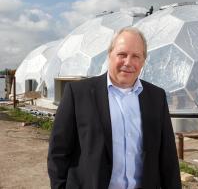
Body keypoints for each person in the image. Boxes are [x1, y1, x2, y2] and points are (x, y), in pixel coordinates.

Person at [47, 27, 181, 189]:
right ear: (110, 54)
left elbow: (168, 158)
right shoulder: (78, 94)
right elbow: (58, 152)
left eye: (136, 56)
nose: (128, 62)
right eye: (122, 54)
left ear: (143, 60)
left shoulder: (156, 97)